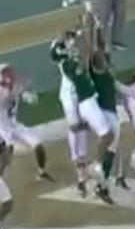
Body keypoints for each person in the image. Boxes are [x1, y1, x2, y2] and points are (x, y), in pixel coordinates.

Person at [59, 34, 115, 205]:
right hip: (86, 103)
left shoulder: (74, 62)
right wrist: (83, 39)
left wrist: (85, 35)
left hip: (88, 102)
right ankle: (95, 166)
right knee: (105, 135)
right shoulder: (68, 65)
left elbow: (89, 54)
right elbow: (84, 59)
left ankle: (91, 171)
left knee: (104, 136)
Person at [0, 63, 53, 181]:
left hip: (13, 124)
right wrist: (17, 89)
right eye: (4, 73)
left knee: (38, 145)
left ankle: (41, 172)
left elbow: (26, 96)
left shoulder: (13, 86)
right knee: (7, 154)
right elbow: (4, 95)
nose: (8, 75)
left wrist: (28, 95)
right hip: (0, 127)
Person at [51, 32, 90, 197]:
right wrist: (65, 40)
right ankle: (78, 163)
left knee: (84, 127)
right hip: (69, 97)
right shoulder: (62, 56)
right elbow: (54, 53)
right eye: (69, 41)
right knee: (75, 127)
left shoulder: (79, 52)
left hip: (82, 93)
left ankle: (83, 162)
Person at [90, 47, 127, 189]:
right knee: (112, 148)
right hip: (108, 114)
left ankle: (102, 177)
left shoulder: (104, 76)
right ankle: (101, 177)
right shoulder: (99, 75)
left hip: (107, 113)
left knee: (112, 147)